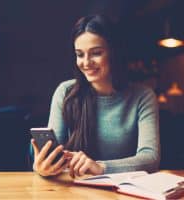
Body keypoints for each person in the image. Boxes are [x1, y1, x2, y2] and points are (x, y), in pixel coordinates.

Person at [31, 14, 160, 177]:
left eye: (96, 53)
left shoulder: (143, 96)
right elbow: (55, 154)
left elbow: (150, 158)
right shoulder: (65, 92)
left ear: (114, 52)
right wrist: (43, 167)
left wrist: (100, 167)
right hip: (74, 190)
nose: (86, 63)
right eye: (80, 54)